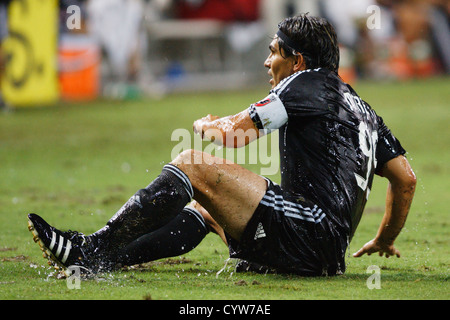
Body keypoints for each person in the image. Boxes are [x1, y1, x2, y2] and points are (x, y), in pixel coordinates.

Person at [28, 13, 416, 277]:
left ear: (297, 61)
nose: (267, 62)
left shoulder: (305, 83)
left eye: (273, 51)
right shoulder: (362, 106)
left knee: (194, 165)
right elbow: (405, 179)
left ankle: (89, 249)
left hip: (308, 233)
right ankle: (100, 262)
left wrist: (206, 124)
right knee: (207, 206)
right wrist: (385, 237)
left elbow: (235, 134)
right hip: (326, 250)